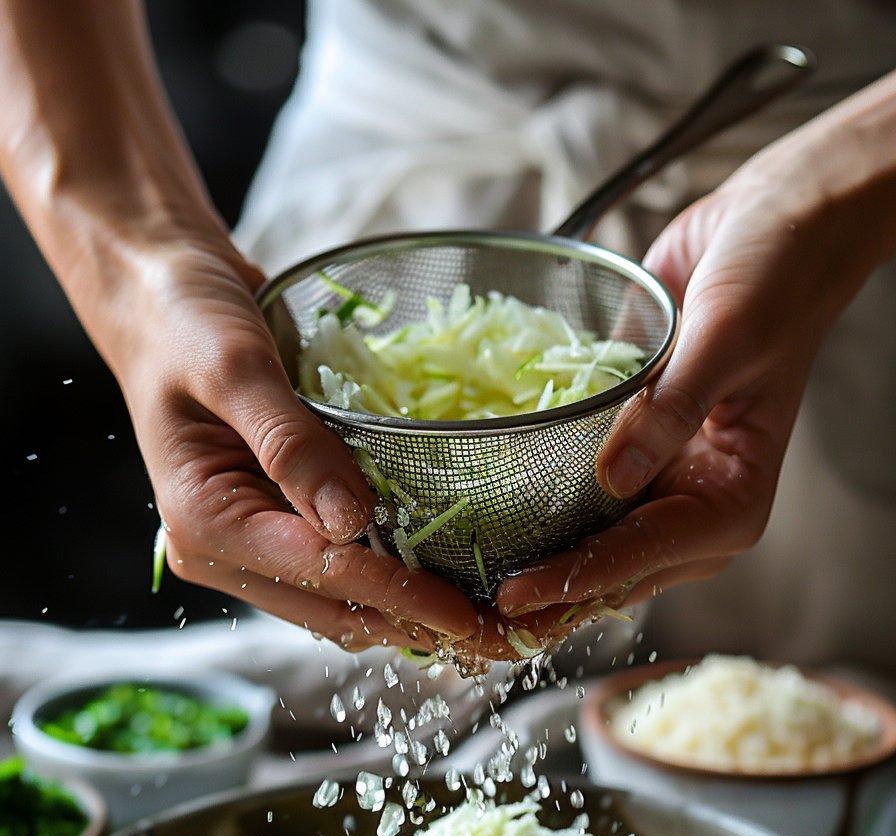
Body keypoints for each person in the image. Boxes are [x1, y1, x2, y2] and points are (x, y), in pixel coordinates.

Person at [2, 1, 896, 676]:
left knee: (802, 717)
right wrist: (144, 254)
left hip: (838, 235)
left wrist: (854, 168)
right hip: (415, 138)